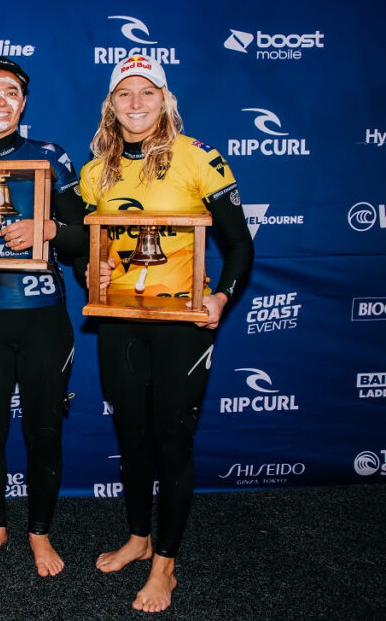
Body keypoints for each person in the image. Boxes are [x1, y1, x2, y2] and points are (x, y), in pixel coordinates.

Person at [79, 54, 254, 613]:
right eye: (125, 93)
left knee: (172, 441)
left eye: (147, 93)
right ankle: (138, 537)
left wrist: (221, 295)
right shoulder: (95, 171)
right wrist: (93, 270)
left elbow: (241, 243)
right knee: (132, 438)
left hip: (183, 322)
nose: (136, 104)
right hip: (121, 322)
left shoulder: (198, 157)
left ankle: (166, 565)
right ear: (111, 103)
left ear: (165, 100)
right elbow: (81, 243)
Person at [0, 57, 88, 577]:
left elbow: (83, 234)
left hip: (43, 316)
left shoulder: (50, 157)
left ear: (22, 104)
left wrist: (46, 229)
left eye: (11, 92)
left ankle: (39, 532)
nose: (0, 100)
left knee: (44, 430)